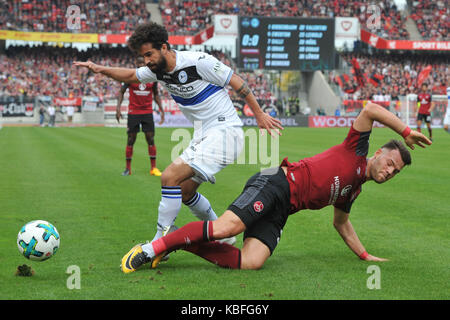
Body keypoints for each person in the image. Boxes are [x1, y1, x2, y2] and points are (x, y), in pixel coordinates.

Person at [119, 102, 431, 273]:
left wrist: (365, 256)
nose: (390, 171)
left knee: (251, 262)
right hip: (276, 180)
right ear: (378, 153)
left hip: (284, 208)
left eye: (396, 171)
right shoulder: (356, 149)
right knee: (228, 228)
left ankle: (181, 240)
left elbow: (342, 223)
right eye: (390, 162)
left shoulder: (354, 190)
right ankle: (151, 249)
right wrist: (405, 130)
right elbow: (369, 109)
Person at [73, 23, 283, 255]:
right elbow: (132, 75)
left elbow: (237, 82)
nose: (146, 61)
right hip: (204, 135)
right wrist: (98, 68)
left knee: (169, 176)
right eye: (143, 56)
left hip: (225, 133)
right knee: (184, 192)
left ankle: (160, 241)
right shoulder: (157, 70)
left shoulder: (198, 61)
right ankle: (225, 237)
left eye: (149, 54)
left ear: (164, 47)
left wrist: (260, 113)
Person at [116, 56, 165, 176]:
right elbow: (121, 92)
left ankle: (153, 168)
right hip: (134, 112)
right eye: (139, 63)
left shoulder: (152, 78)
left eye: (142, 63)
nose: (141, 65)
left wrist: (161, 110)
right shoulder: (131, 77)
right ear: (136, 64)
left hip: (147, 112)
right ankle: (128, 169)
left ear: (146, 64)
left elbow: (156, 95)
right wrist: (118, 108)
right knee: (131, 140)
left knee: (150, 139)